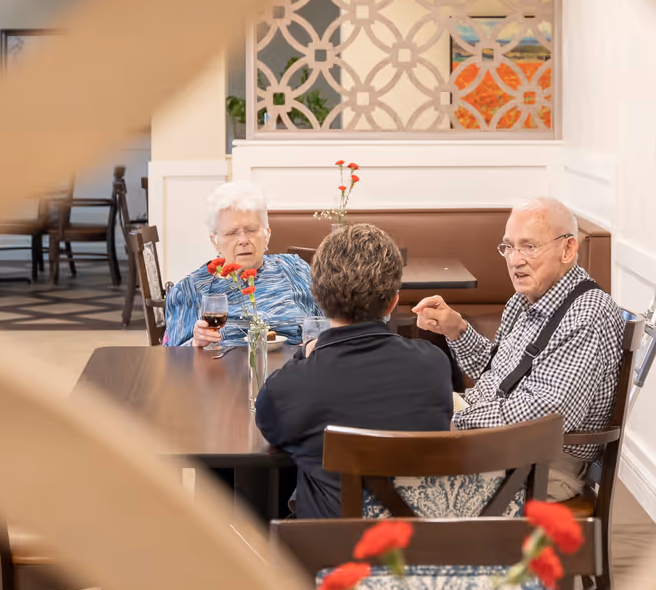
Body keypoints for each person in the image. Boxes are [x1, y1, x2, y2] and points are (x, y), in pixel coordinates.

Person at [411, 196, 624, 501]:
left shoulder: (587, 315)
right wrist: (456, 329)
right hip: (496, 441)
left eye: (529, 246)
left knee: (390, 472)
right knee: (385, 424)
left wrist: (452, 422)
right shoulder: (525, 299)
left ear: (568, 249)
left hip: (540, 465)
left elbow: (545, 416)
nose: (514, 260)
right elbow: (500, 374)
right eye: (508, 247)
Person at [253, 224, 453, 519]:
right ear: (393, 302)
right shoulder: (434, 365)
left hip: (329, 555)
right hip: (415, 550)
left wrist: (305, 352)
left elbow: (271, 430)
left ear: (316, 298)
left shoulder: (294, 386)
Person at [163, 181, 321, 348]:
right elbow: (173, 359)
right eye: (231, 233)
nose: (243, 240)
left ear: (266, 235)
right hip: (222, 372)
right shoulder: (190, 289)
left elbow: (328, 325)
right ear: (215, 241)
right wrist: (195, 343)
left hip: (294, 369)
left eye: (251, 230)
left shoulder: (294, 269)